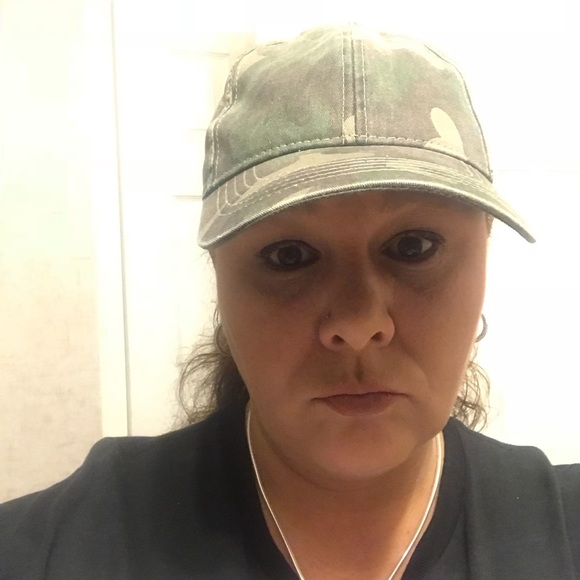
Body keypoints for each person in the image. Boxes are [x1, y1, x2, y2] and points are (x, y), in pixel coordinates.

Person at [0, 23, 579, 580]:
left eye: (413, 246)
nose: (358, 323)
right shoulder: (61, 548)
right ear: (218, 271)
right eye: (289, 255)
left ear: (483, 250)